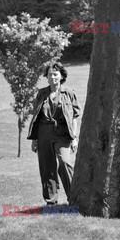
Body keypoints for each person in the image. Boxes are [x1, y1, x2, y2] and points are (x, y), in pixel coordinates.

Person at [27, 61, 82, 204]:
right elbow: (36, 117)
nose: (52, 77)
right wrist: (35, 140)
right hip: (43, 134)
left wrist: (74, 138)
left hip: (62, 134)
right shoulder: (41, 93)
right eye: (50, 74)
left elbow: (75, 117)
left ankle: (74, 199)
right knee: (47, 168)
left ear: (61, 76)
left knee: (64, 163)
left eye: (55, 74)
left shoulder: (69, 93)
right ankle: (51, 202)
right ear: (47, 76)